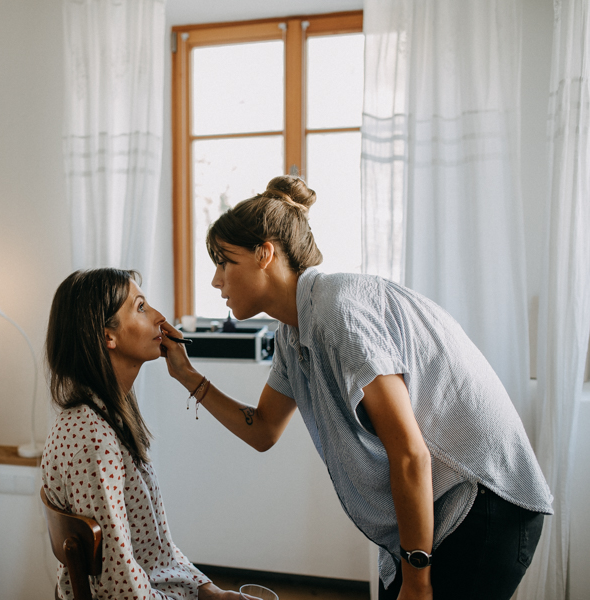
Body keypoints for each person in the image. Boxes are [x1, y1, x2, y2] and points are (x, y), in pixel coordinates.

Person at [159, 176, 553, 600]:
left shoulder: (338, 310)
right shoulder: (292, 334)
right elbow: (263, 429)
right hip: (444, 505)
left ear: (265, 254)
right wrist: (185, 374)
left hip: (484, 498)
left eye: (224, 262)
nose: (216, 281)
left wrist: (417, 578)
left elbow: (409, 453)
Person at [41, 268, 243, 600]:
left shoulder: (108, 414)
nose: (160, 318)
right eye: (141, 307)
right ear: (108, 336)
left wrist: (208, 592)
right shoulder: (93, 440)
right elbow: (120, 588)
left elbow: (154, 550)